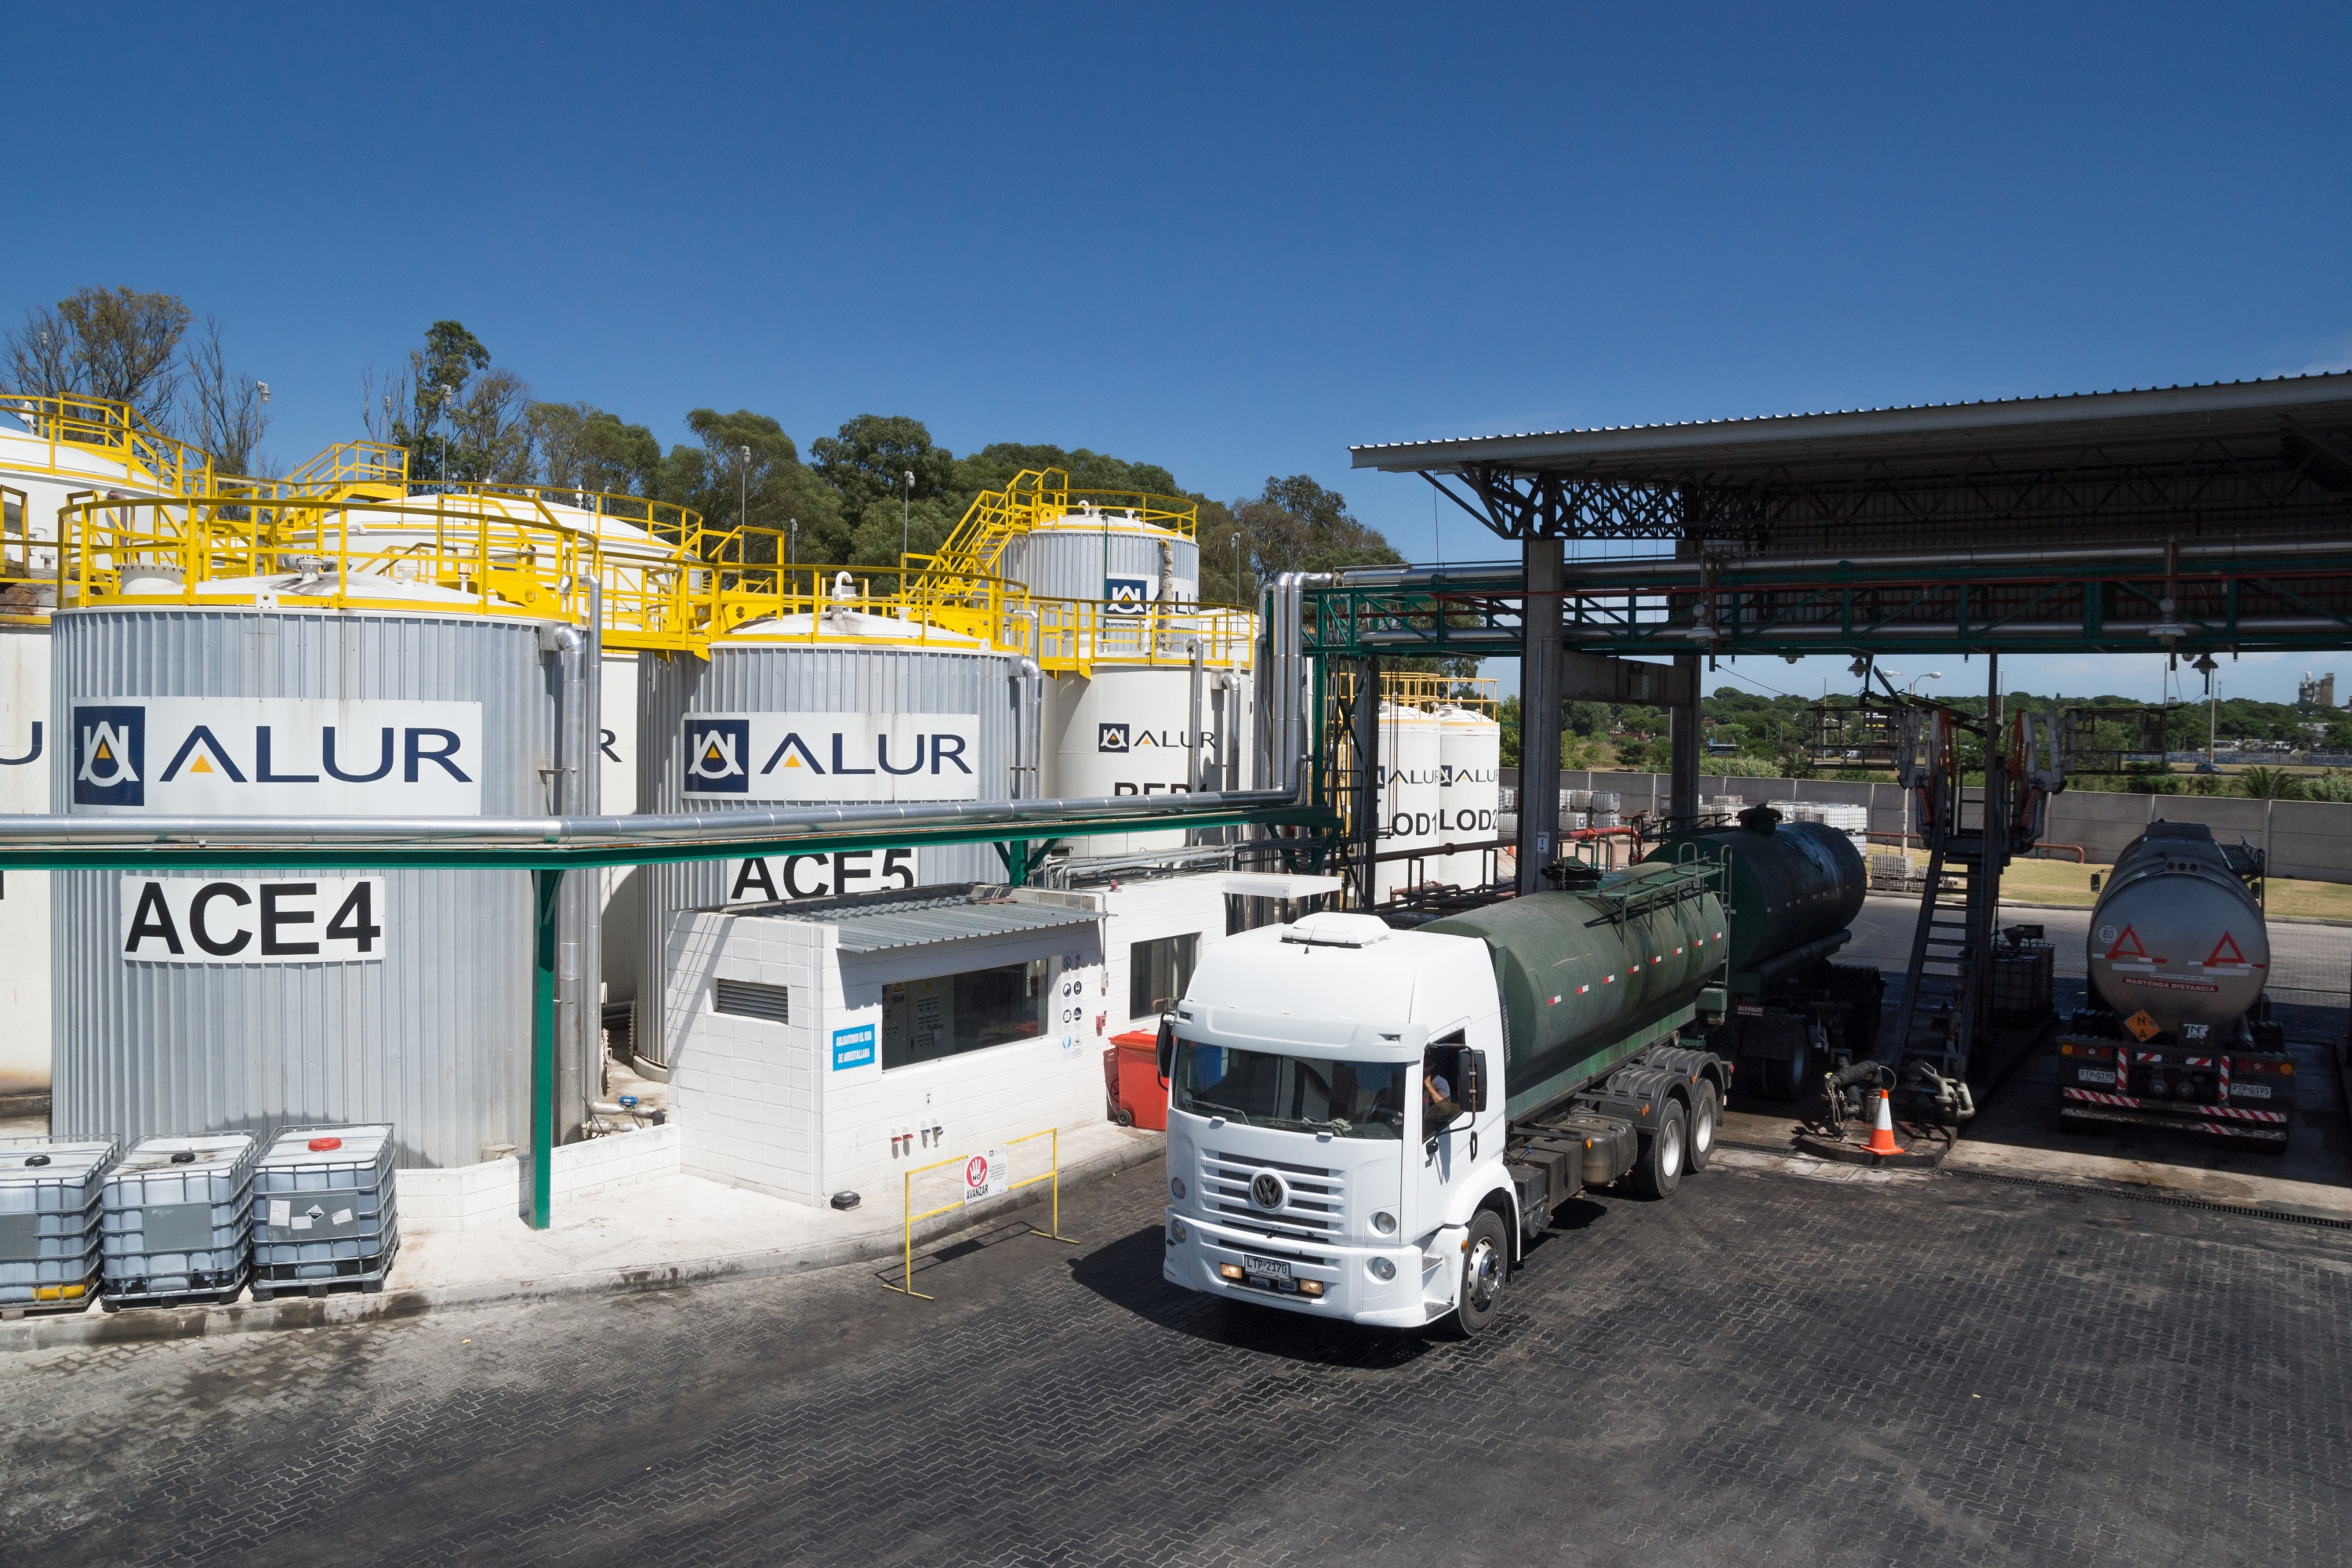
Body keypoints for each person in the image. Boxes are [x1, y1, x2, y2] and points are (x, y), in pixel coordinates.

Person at [1423, 1060, 1461, 1129]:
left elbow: (1445, 1109)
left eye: (1426, 1065)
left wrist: (1428, 1085)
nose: (1423, 1068)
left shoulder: (1440, 1082)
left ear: (1432, 1066)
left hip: (1435, 1126)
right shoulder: (1412, 1081)